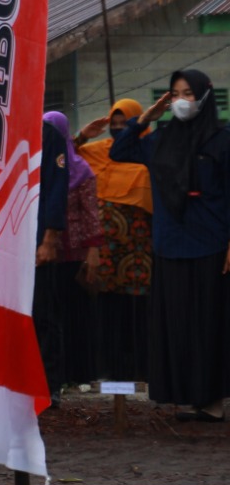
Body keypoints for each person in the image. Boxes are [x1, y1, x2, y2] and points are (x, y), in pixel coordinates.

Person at [111, 70, 230, 421]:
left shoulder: (222, 141)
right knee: (176, 324)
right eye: (175, 94)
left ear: (206, 96)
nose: (181, 100)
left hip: (210, 244)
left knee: (207, 324)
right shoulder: (160, 139)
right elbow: (121, 151)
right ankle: (182, 396)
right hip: (169, 244)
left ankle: (211, 402)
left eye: (189, 93)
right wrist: (145, 119)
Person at [74, 99, 154, 381]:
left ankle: (142, 371)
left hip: (139, 247)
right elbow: (64, 158)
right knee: (105, 307)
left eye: (125, 123)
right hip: (103, 248)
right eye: (115, 124)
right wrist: (83, 135)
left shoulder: (148, 149)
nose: (118, 129)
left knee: (138, 309)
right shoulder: (96, 151)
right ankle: (108, 372)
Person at [44, 111, 104, 387]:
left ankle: (79, 374)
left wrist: (93, 250)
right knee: (51, 315)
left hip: (76, 251)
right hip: (47, 251)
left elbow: (92, 213)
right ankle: (57, 376)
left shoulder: (81, 170)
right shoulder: (40, 167)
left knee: (75, 315)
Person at [33, 118, 71, 406]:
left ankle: (48, 387)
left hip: (36, 241)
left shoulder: (48, 135)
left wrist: (49, 239)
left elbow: (57, 190)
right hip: (3, 243)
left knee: (44, 315)